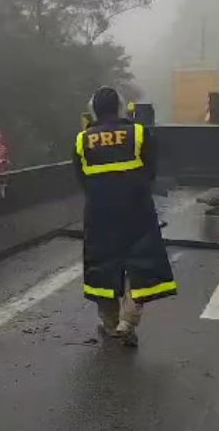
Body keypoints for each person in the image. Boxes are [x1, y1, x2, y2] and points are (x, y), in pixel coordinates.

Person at [72, 86, 175, 347]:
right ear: (120, 107)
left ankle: (109, 323)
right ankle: (127, 321)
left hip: (100, 213)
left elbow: (81, 179)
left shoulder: (82, 140)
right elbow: (151, 171)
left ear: (94, 108)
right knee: (142, 262)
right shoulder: (139, 132)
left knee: (102, 266)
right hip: (136, 209)